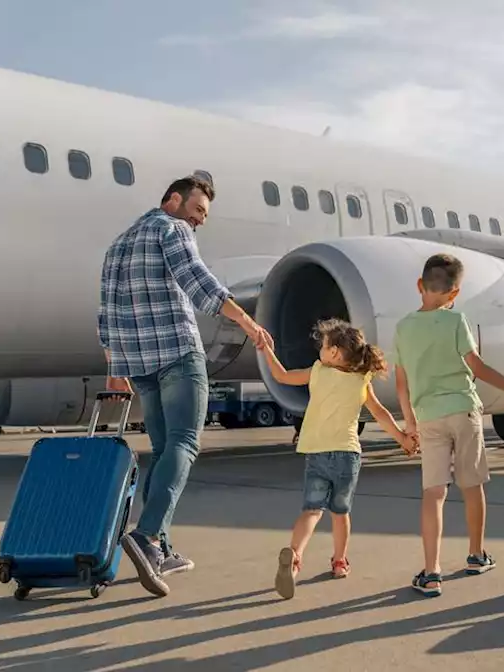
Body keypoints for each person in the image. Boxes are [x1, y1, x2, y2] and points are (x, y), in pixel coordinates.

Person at [97, 174, 272, 598]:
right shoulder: (170, 229)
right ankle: (147, 536)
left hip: (141, 365)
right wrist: (248, 322)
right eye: (197, 211)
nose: (199, 221)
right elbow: (199, 282)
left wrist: (115, 367)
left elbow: (106, 314)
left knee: (163, 450)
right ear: (173, 200)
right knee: (185, 444)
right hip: (177, 354)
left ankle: (162, 548)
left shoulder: (118, 244)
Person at [393, 253, 504, 597]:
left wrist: (409, 424)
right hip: (463, 410)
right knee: (472, 485)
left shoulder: (402, 328)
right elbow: (477, 367)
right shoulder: (457, 320)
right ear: (454, 294)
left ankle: (431, 573)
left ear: (420, 286)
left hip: (428, 416)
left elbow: (401, 383)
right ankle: (476, 554)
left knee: (434, 493)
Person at [259, 318, 414, 600]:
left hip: (317, 453)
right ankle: (340, 561)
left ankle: (294, 558)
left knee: (312, 511)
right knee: (340, 513)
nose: (320, 347)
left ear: (334, 353)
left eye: (324, 344)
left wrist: (267, 350)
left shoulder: (318, 371)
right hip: (347, 454)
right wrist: (402, 438)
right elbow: (380, 413)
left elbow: (281, 376)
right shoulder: (361, 379)